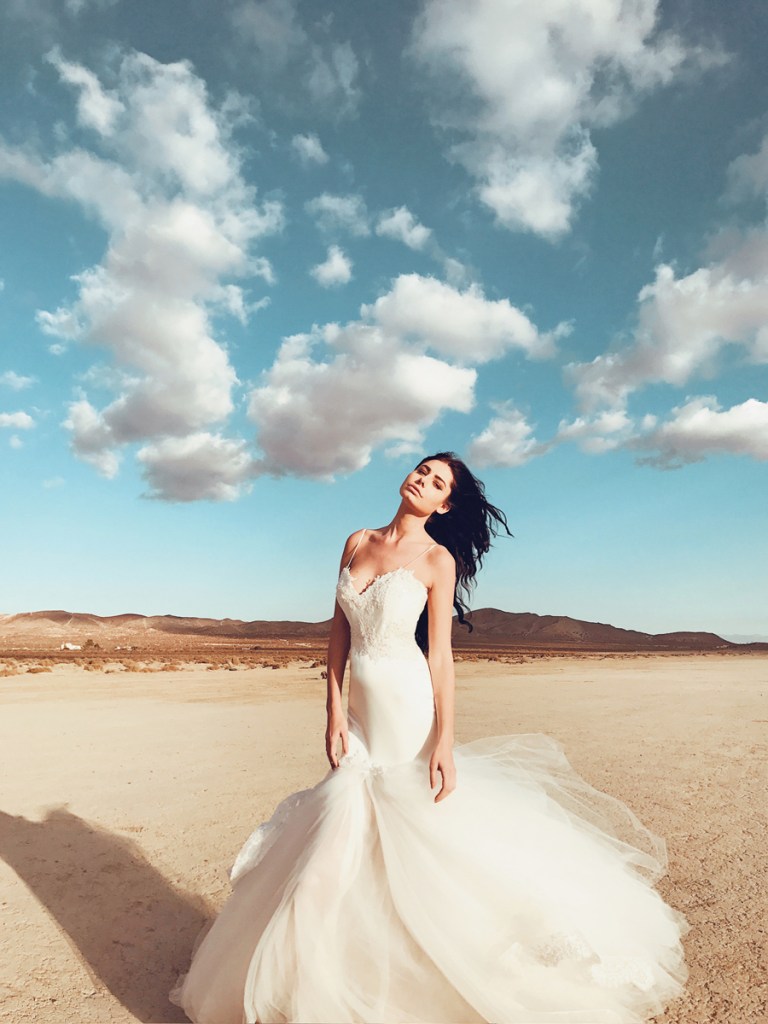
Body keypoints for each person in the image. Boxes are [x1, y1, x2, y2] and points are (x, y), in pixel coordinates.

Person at [171, 452, 688, 1024]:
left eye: (437, 482)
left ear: (444, 504)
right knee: (333, 843)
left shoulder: (438, 560)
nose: (423, 480)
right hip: (361, 714)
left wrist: (444, 740)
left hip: (408, 709)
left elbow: (439, 655)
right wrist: (333, 713)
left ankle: (429, 968)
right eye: (422, 470)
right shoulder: (356, 540)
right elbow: (338, 633)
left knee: (409, 832)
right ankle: (309, 983)